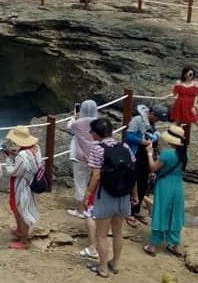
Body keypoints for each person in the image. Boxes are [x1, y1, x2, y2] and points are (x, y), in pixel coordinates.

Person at [81, 118, 137, 278]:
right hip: (123, 195)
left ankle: (103, 267)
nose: (91, 134)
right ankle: (115, 263)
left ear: (97, 134)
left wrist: (87, 196)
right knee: (118, 232)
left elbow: (96, 175)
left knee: (101, 234)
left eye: (92, 131)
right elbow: (132, 172)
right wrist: (134, 194)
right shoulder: (124, 146)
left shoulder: (98, 149)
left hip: (105, 195)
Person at [143, 125, 187, 257]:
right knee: (175, 212)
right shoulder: (185, 154)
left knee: (160, 211)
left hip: (165, 184)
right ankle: (173, 243)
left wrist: (149, 153)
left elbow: (153, 168)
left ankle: (153, 245)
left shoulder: (167, 154)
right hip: (178, 184)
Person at [124, 104, 169, 226]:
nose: (158, 120)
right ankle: (129, 212)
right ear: (152, 113)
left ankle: (136, 209)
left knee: (144, 182)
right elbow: (128, 135)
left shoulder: (151, 123)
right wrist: (143, 141)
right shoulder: (138, 120)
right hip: (136, 154)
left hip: (146, 155)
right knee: (134, 182)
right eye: (157, 117)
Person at [4, 125, 41, 250]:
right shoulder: (36, 149)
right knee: (23, 208)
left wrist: (9, 159)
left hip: (23, 185)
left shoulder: (22, 155)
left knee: (22, 210)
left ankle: (24, 240)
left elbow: (14, 172)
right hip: (31, 182)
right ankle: (21, 231)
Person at [67, 99, 99, 218]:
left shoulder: (78, 123)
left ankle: (80, 210)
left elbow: (69, 125)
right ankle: (92, 207)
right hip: (95, 156)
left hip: (80, 156)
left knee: (81, 182)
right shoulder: (99, 122)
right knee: (94, 182)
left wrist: (74, 116)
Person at [170, 67, 198, 146]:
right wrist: (167, 96)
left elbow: (196, 96)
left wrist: (194, 106)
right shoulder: (179, 82)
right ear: (184, 74)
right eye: (189, 74)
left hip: (190, 106)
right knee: (178, 123)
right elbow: (174, 94)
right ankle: (173, 141)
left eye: (192, 74)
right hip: (180, 105)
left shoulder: (195, 83)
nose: (191, 75)